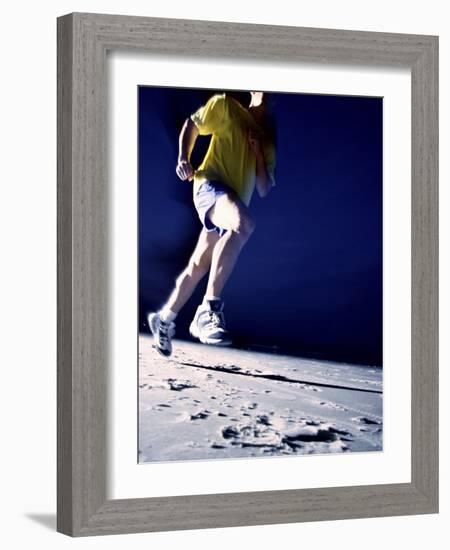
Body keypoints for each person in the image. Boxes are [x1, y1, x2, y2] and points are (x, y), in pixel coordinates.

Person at [148, 91, 276, 356]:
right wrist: (184, 157)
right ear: (252, 92)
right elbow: (192, 125)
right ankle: (209, 309)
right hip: (210, 186)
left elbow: (264, 187)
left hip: (227, 205)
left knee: (197, 266)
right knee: (244, 224)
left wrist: (258, 154)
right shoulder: (226, 106)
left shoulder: (266, 141)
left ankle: (164, 319)